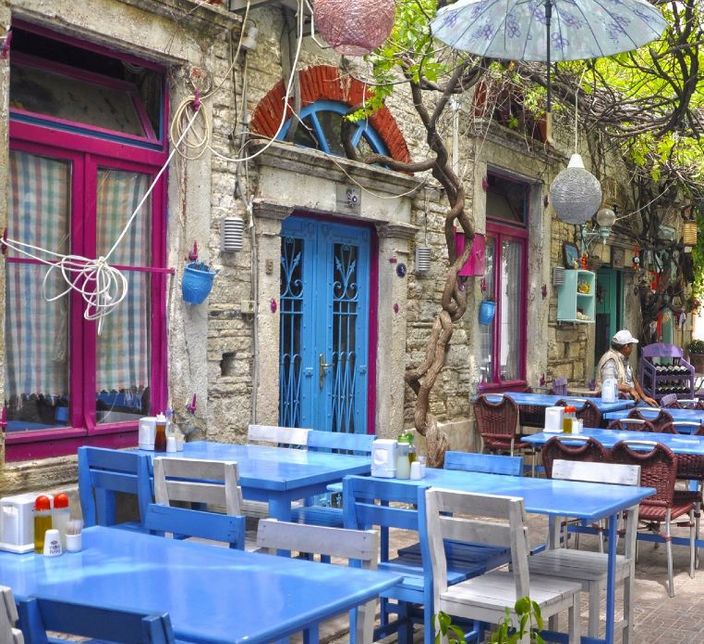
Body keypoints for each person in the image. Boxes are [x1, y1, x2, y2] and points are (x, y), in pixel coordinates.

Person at [596, 329, 657, 406]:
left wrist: (644, 397)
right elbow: (609, 384)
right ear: (626, 347)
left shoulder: (624, 360)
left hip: (629, 400)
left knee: (653, 407)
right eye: (631, 346)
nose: (632, 349)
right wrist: (629, 389)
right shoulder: (610, 360)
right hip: (615, 401)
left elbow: (634, 382)